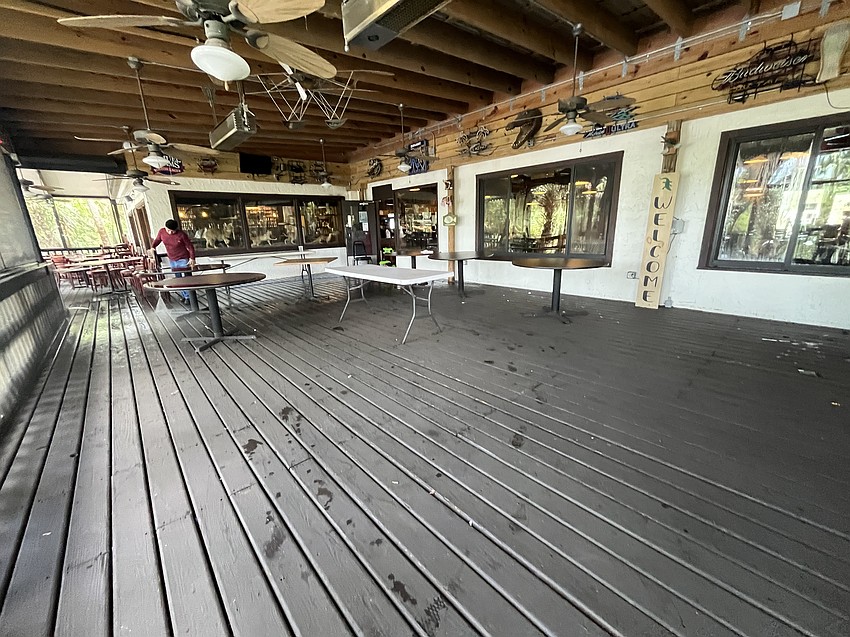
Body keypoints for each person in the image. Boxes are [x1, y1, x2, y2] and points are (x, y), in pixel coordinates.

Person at [150, 219, 196, 303]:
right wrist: (153, 247)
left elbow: (190, 246)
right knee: (178, 278)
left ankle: (190, 297)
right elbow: (157, 240)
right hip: (172, 258)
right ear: (165, 228)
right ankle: (185, 295)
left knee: (186, 278)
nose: (170, 233)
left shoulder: (181, 235)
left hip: (183, 258)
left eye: (173, 231)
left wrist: (192, 258)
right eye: (168, 230)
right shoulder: (162, 232)